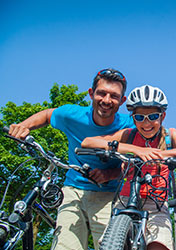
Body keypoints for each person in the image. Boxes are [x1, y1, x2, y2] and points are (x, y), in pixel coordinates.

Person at [8, 68, 134, 250]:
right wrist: (23, 126)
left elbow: (137, 161)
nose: (106, 100)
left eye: (114, 96)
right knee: (65, 244)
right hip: (73, 190)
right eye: (101, 93)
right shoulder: (72, 115)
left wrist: (110, 173)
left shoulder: (129, 124)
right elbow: (47, 115)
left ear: (122, 101)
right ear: (91, 94)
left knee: (111, 245)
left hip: (109, 195)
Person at [81, 84, 176, 250]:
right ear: (133, 118)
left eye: (153, 116)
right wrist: (135, 149)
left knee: (159, 244)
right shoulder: (129, 134)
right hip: (126, 198)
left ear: (162, 116)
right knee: (110, 243)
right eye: (140, 118)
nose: (147, 123)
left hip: (156, 202)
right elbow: (88, 142)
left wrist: (159, 154)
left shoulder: (170, 134)